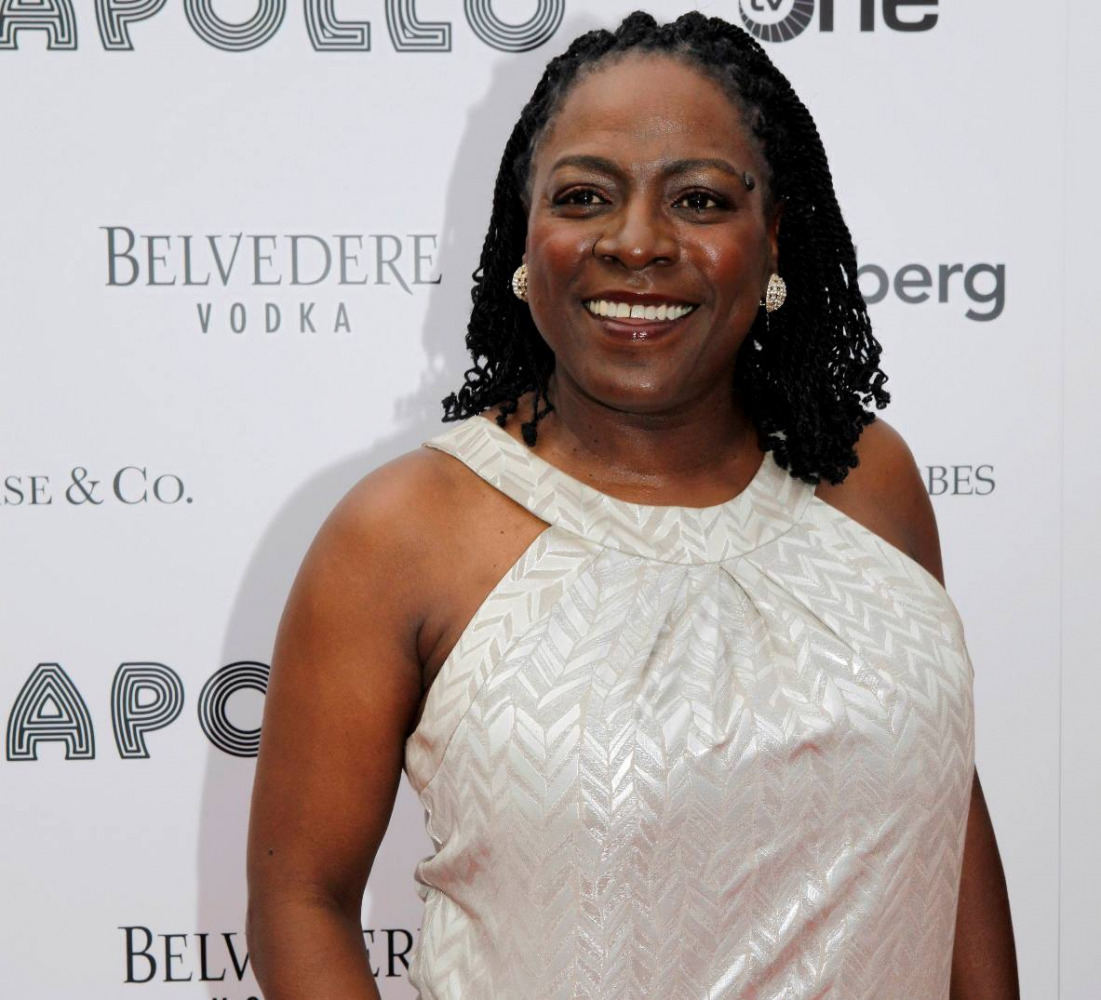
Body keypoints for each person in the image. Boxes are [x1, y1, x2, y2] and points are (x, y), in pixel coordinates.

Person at [245, 11, 1019, 999]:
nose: (637, 243)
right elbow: (298, 898)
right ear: (527, 238)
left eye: (698, 198)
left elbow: (943, 810)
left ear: (773, 235)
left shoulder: (870, 479)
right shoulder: (406, 531)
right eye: (583, 197)